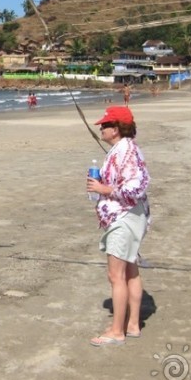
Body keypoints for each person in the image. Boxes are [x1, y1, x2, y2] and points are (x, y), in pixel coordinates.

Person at [86, 106, 151, 347]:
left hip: (124, 219)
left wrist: (105, 189)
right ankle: (132, 325)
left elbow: (136, 188)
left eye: (105, 125)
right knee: (130, 271)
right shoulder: (124, 150)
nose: (101, 129)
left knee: (116, 276)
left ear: (116, 129)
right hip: (129, 217)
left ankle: (117, 331)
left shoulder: (127, 151)